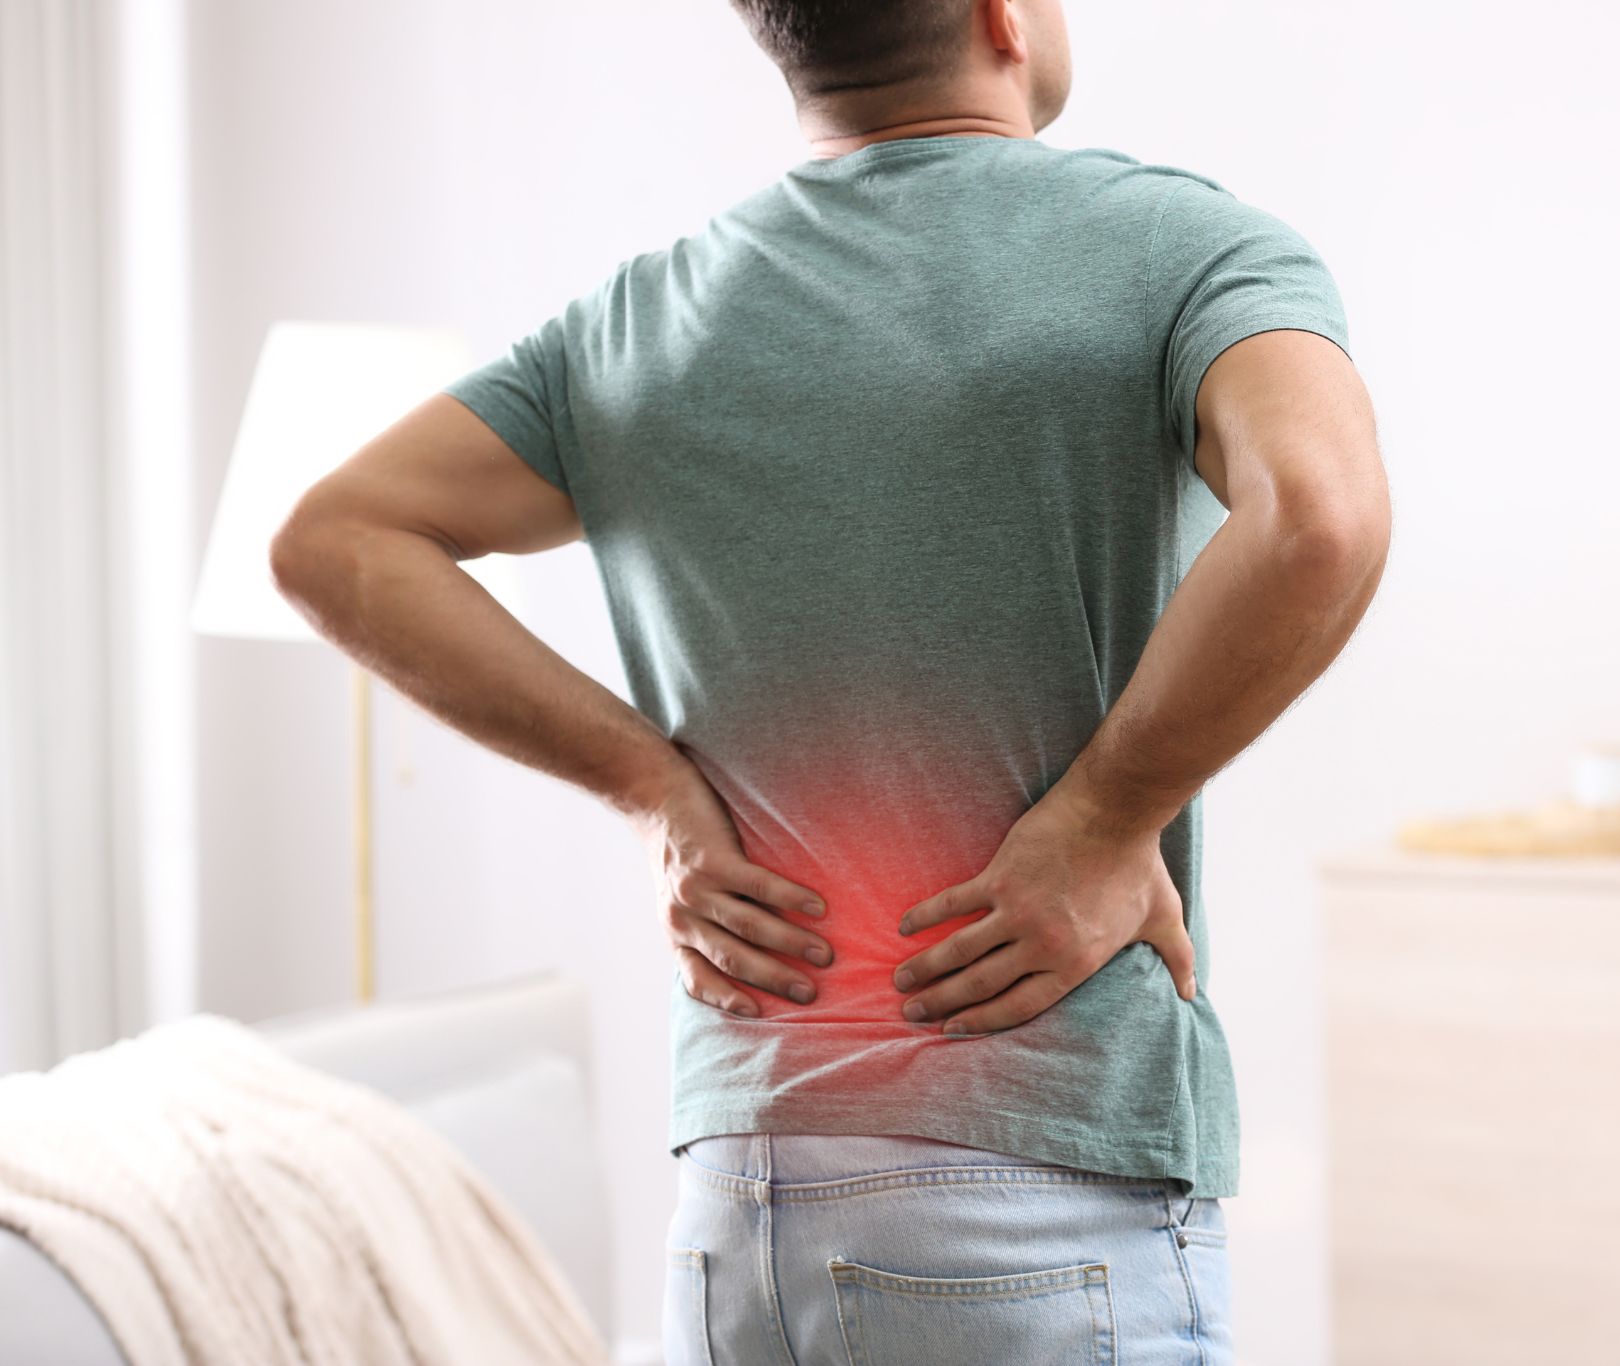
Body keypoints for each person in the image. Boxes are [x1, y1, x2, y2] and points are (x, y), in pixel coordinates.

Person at [269, 0, 1390, 1360]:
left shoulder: (643, 315)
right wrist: (1105, 820)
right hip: (1034, 1190)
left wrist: (652, 791)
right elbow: (1320, 517)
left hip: (737, 1202)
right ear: (1001, 18)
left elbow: (332, 539)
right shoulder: (1185, 248)